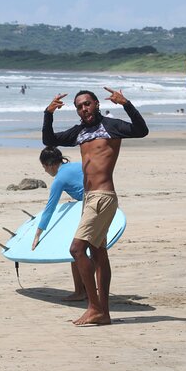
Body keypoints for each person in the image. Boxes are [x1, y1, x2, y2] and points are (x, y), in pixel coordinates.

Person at [42, 87, 148, 325]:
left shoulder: (112, 127)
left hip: (103, 196)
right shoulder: (80, 131)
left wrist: (126, 104)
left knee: (77, 250)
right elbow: (49, 141)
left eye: (87, 104)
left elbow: (141, 131)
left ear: (97, 104)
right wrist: (48, 114)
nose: (84, 109)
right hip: (89, 199)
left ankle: (94, 307)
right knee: (98, 253)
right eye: (79, 106)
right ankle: (104, 314)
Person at [32, 146, 86, 301]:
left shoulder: (59, 179)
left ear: (50, 164)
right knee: (95, 251)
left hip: (90, 207)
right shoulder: (78, 165)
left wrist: (38, 233)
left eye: (44, 167)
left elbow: (50, 208)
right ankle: (91, 289)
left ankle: (80, 292)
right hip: (105, 202)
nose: (45, 171)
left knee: (75, 251)